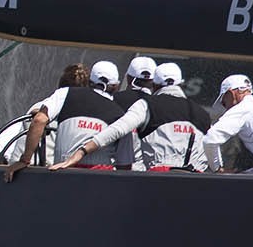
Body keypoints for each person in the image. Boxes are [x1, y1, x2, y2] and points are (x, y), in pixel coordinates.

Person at [54, 62, 209, 172]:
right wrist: (219, 169)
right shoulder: (203, 114)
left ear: (155, 85)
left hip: (158, 178)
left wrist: (82, 150)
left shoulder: (146, 104)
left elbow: (119, 129)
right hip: (195, 179)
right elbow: (212, 146)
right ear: (181, 84)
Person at [4, 61, 125, 182]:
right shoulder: (120, 114)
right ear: (116, 86)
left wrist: (25, 160)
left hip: (47, 175)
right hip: (96, 180)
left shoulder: (55, 100)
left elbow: (39, 120)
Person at [105, 56, 156, 169]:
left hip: (113, 167)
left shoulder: (112, 100)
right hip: (148, 171)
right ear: (153, 81)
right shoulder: (159, 106)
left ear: (128, 78)